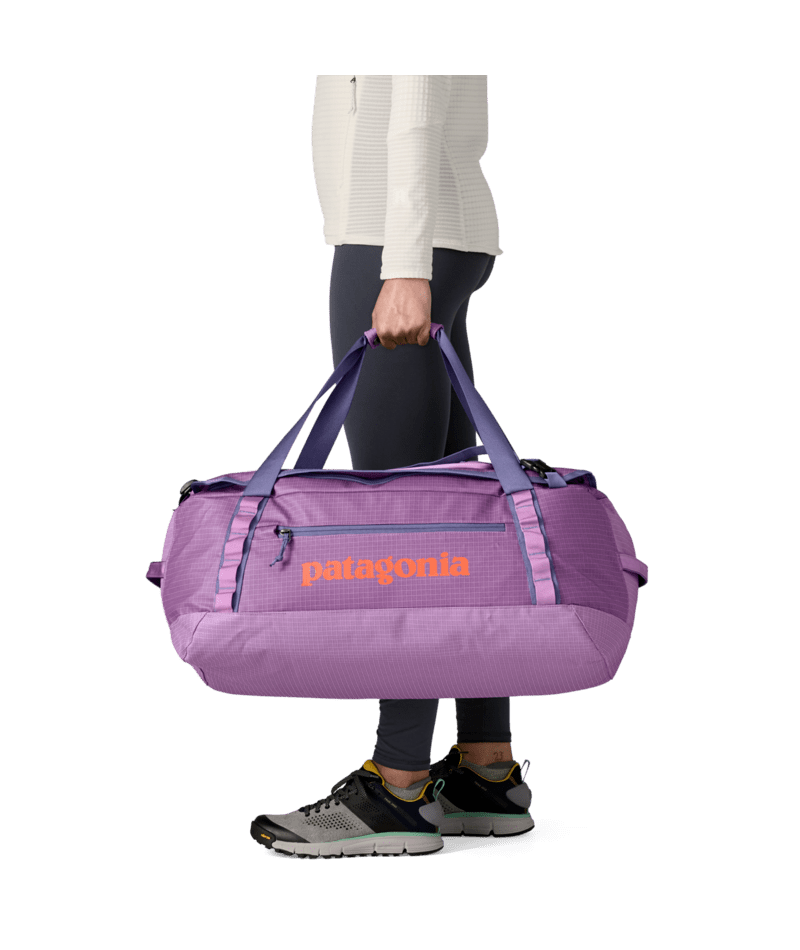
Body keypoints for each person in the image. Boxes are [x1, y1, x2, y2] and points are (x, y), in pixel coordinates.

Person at [250, 76, 534, 859]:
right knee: (458, 521)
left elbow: (412, 106)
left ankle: (399, 786)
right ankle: (486, 771)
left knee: (396, 532)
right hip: (437, 232)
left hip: (397, 238)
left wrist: (402, 266)